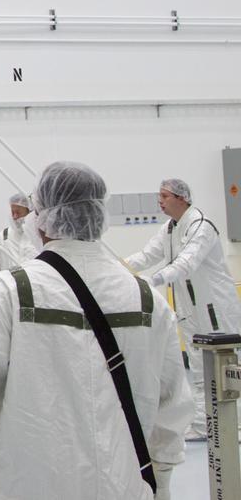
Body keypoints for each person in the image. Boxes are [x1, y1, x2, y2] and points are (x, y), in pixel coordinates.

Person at [0, 162, 192, 500]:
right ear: (98, 216)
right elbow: (172, 406)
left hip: (31, 487)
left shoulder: (12, 291)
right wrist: (163, 481)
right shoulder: (146, 300)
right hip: (125, 487)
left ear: (42, 219)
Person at [125, 177, 241, 442]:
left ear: (181, 198)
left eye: (164, 196)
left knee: (227, 368)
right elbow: (147, 255)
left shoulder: (202, 226)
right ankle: (203, 425)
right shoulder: (169, 228)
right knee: (199, 369)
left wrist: (151, 280)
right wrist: (119, 267)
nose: (160, 201)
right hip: (189, 309)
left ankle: (235, 423)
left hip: (214, 308)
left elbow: (185, 264)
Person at [0, 192, 38, 271]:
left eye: (18, 212)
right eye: (12, 212)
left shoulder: (38, 237)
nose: (15, 216)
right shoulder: (4, 236)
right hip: (8, 282)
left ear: (30, 212)